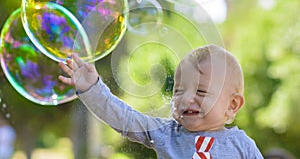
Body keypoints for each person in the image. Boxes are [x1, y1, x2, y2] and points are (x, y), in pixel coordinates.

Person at [58, 44, 264, 158]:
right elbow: (125, 119)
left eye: (201, 91)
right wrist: (92, 88)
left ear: (232, 105)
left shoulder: (242, 146)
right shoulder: (166, 133)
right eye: (178, 91)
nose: (186, 98)